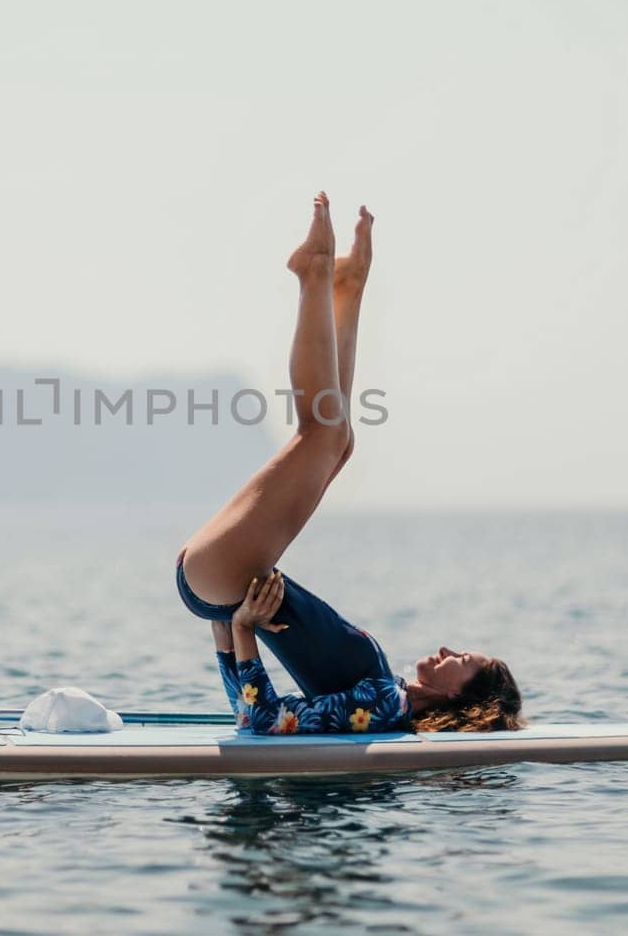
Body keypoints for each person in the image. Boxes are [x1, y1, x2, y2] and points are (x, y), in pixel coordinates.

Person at [176, 192, 524, 735]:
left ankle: (314, 276)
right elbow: (254, 716)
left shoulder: (387, 708)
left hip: (223, 577)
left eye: (466, 660)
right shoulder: (388, 693)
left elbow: (263, 722)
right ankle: (346, 288)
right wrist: (227, 624)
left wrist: (241, 627)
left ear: (461, 695)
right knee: (339, 443)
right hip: (219, 581)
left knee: (323, 434)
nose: (449, 649)